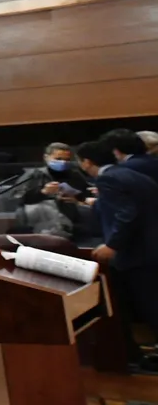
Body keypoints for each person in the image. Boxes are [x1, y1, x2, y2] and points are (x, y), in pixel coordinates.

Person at [76, 140, 158, 367]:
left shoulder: (107, 178)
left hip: (137, 254)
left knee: (150, 307)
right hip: (150, 250)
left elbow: (127, 214)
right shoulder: (134, 175)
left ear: (86, 162)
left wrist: (113, 245)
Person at [16, 142, 88, 237]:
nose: (63, 162)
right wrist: (43, 192)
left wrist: (77, 200)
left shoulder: (75, 175)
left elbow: (86, 196)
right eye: (58, 159)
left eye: (67, 159)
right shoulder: (34, 175)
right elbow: (17, 197)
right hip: (38, 226)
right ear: (46, 157)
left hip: (71, 225)